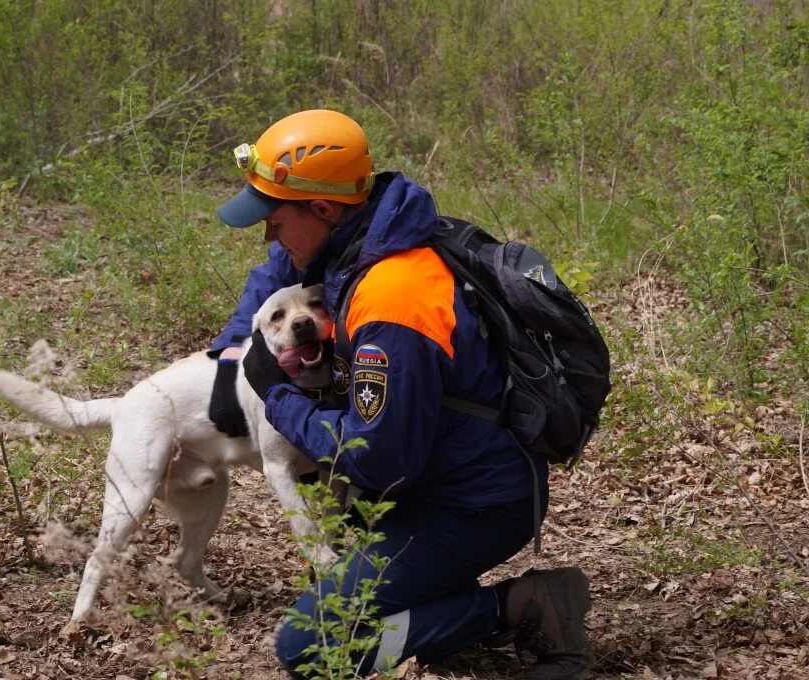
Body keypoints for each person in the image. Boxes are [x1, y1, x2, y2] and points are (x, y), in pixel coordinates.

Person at [207, 109, 593, 680]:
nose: (268, 235)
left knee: (309, 648)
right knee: (348, 552)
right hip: (438, 482)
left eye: (274, 219)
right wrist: (232, 350)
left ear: (323, 208)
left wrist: (277, 397)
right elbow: (273, 274)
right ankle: (431, 594)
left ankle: (514, 608)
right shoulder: (370, 246)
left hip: (473, 504)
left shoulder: (391, 299)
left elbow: (374, 455)